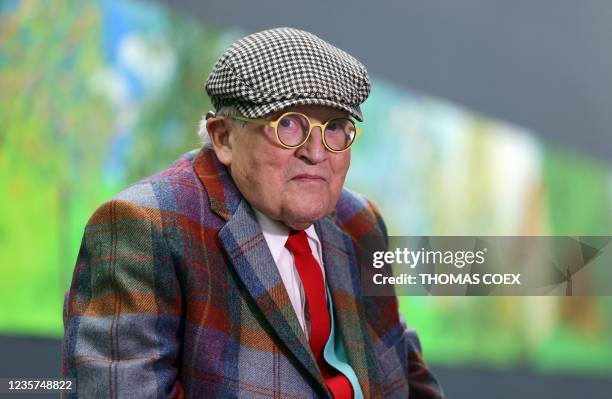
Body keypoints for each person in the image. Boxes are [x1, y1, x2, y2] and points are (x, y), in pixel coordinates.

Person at [62, 27, 444, 398]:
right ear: (224, 137)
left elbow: (406, 373)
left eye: (336, 127)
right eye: (289, 124)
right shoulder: (142, 227)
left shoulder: (360, 221)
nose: (316, 152)